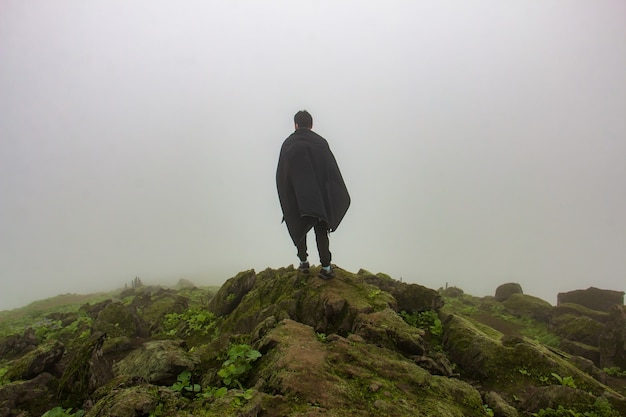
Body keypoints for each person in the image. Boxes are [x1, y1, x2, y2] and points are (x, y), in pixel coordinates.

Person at [276, 110, 350, 279]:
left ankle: (303, 263)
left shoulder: (288, 144)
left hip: (298, 197)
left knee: (298, 224)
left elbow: (282, 175)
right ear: (311, 125)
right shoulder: (321, 143)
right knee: (321, 230)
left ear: (295, 124)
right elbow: (331, 171)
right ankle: (326, 267)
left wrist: (288, 197)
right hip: (319, 197)